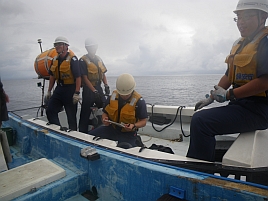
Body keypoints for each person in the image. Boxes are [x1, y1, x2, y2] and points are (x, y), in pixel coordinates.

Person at [186, 0, 268, 162]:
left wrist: (229, 94)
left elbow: (264, 82)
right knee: (201, 117)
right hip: (241, 106)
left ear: (263, 17)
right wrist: (211, 97)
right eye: (238, 18)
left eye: (247, 17)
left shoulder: (265, 43)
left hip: (259, 110)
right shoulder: (239, 44)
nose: (241, 23)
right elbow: (229, 75)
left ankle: (199, 172)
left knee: (201, 122)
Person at [88, 73, 148, 148]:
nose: (124, 96)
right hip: (111, 129)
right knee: (88, 137)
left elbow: (143, 121)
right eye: (121, 94)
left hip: (128, 134)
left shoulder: (139, 101)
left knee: (126, 150)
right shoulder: (112, 96)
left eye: (127, 94)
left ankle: (136, 141)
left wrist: (133, 126)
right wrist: (104, 119)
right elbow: (105, 113)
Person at [45, 36, 81, 131]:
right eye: (56, 45)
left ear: (66, 46)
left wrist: (77, 93)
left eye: (59, 44)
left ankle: (73, 136)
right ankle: (59, 130)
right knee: (50, 110)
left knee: (71, 117)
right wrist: (49, 91)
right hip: (59, 89)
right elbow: (52, 76)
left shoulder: (73, 60)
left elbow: (78, 77)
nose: (57, 46)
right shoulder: (54, 60)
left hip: (70, 90)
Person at [78, 37, 110, 133]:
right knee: (85, 111)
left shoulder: (98, 59)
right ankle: (82, 132)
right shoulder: (82, 60)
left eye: (94, 47)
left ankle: (103, 128)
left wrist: (106, 85)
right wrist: (93, 90)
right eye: (91, 47)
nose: (93, 49)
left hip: (98, 87)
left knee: (105, 107)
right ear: (87, 48)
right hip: (89, 90)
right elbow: (84, 77)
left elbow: (103, 73)